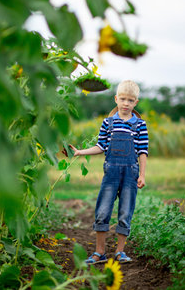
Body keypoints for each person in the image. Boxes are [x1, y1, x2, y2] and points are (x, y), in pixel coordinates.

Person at [69, 80, 149, 264]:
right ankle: (99, 252)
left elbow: (143, 151)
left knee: (125, 212)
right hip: (111, 174)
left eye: (130, 100)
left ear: (136, 102)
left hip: (131, 173)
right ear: (116, 99)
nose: (126, 103)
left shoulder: (140, 125)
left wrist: (142, 175)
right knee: (103, 211)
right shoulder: (108, 123)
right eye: (123, 99)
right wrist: (80, 152)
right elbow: (100, 146)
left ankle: (120, 252)